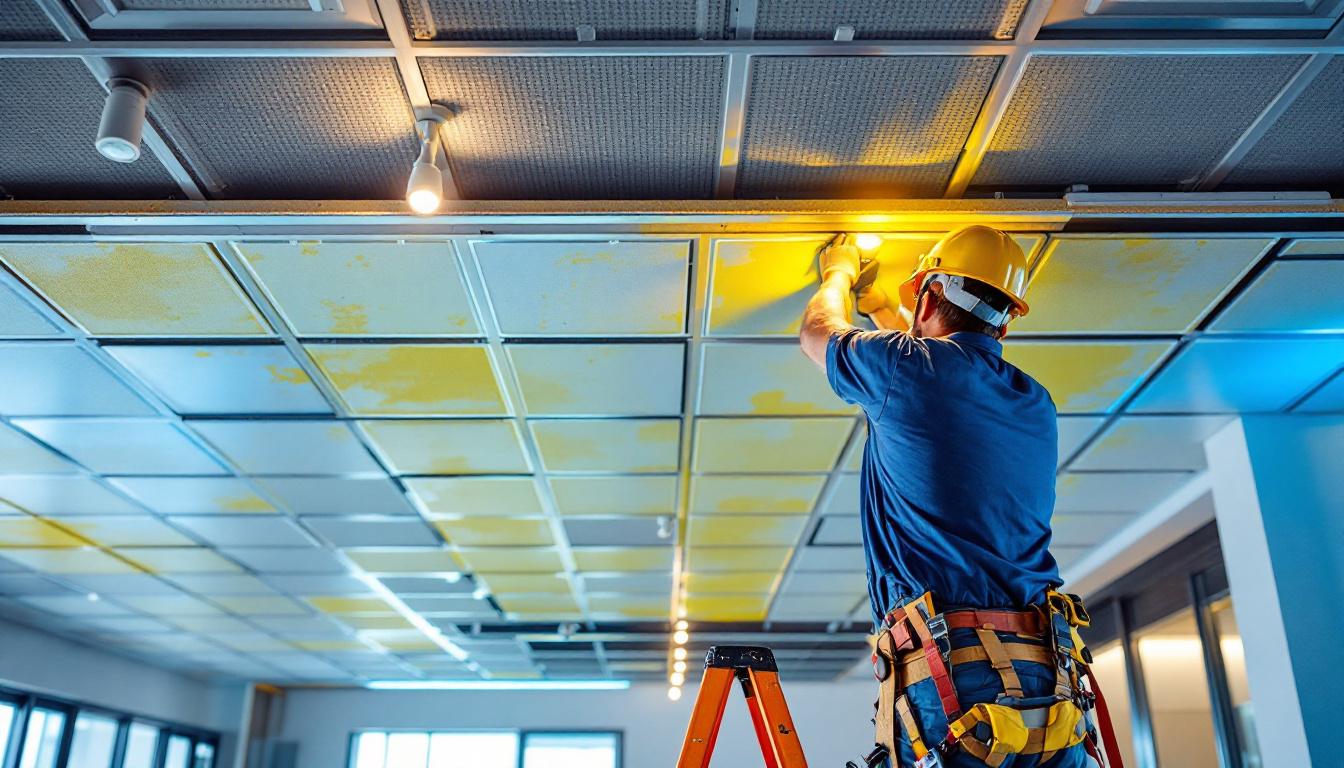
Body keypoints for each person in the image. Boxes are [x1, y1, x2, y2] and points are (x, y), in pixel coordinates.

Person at [800, 227, 1120, 768]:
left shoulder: (909, 372)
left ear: (926, 296)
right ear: (1006, 320)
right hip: (1044, 675)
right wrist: (882, 310)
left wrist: (839, 270)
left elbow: (818, 333)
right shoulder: (1033, 400)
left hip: (954, 673)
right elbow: (931, 381)